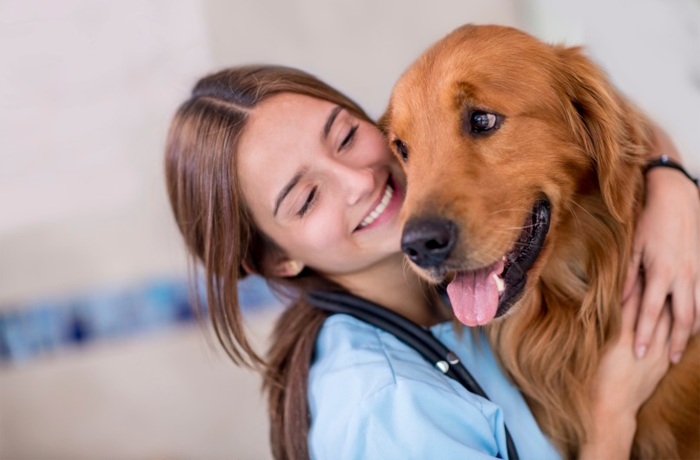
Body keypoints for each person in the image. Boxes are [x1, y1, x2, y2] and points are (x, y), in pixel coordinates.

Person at [164, 65, 700, 460]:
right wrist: (613, 414)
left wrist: (668, 176)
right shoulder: (383, 411)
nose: (359, 181)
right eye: (306, 199)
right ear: (278, 260)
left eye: (347, 137)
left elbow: (568, 97)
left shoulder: (464, 279)